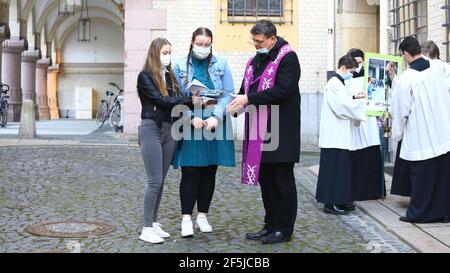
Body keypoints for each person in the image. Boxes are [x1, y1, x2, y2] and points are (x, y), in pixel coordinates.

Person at [227, 20, 301, 244]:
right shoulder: (254, 60)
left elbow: (282, 90)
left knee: (282, 182)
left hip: (281, 129)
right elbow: (245, 90)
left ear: (272, 38)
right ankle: (270, 225)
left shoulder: (288, 57)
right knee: (266, 182)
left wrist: (248, 99)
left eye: (259, 42)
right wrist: (237, 105)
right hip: (259, 129)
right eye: (254, 42)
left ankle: (284, 228)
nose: (256, 46)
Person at [172, 27, 236, 238]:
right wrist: (191, 117)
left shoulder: (221, 64)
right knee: (190, 172)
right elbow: (173, 97)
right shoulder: (180, 66)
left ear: (211, 44)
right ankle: (185, 219)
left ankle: (202, 215)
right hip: (191, 123)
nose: (202, 48)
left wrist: (215, 116)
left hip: (214, 123)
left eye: (206, 44)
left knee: (210, 171)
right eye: (199, 44)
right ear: (192, 43)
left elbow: (228, 94)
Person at [137, 38, 202, 244]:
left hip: (169, 129)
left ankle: (154, 222)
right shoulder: (145, 76)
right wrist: (188, 100)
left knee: (161, 180)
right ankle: (146, 228)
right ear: (155, 53)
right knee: (154, 180)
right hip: (151, 129)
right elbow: (160, 100)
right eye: (165, 52)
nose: (168, 56)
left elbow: (177, 102)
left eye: (170, 52)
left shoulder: (170, 75)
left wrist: (195, 100)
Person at [388, 36, 450, 223]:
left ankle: (420, 213)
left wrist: (397, 134)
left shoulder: (407, 78)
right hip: (442, 132)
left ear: (406, 53)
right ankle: (444, 212)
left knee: (422, 178)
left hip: (420, 134)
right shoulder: (439, 68)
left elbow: (400, 111)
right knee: (441, 177)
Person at [315, 54, 367, 215]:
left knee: (341, 171)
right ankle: (331, 203)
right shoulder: (334, 84)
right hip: (335, 137)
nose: (351, 75)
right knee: (335, 172)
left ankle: (341, 200)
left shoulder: (339, 83)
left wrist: (353, 98)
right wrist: (360, 104)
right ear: (343, 68)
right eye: (351, 72)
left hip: (340, 136)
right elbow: (341, 106)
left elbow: (344, 100)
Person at [346, 49, 385, 209]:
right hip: (355, 118)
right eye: (356, 62)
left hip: (370, 117)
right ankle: (358, 189)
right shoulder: (347, 77)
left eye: (361, 61)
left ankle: (374, 189)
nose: (359, 65)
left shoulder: (370, 75)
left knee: (372, 149)